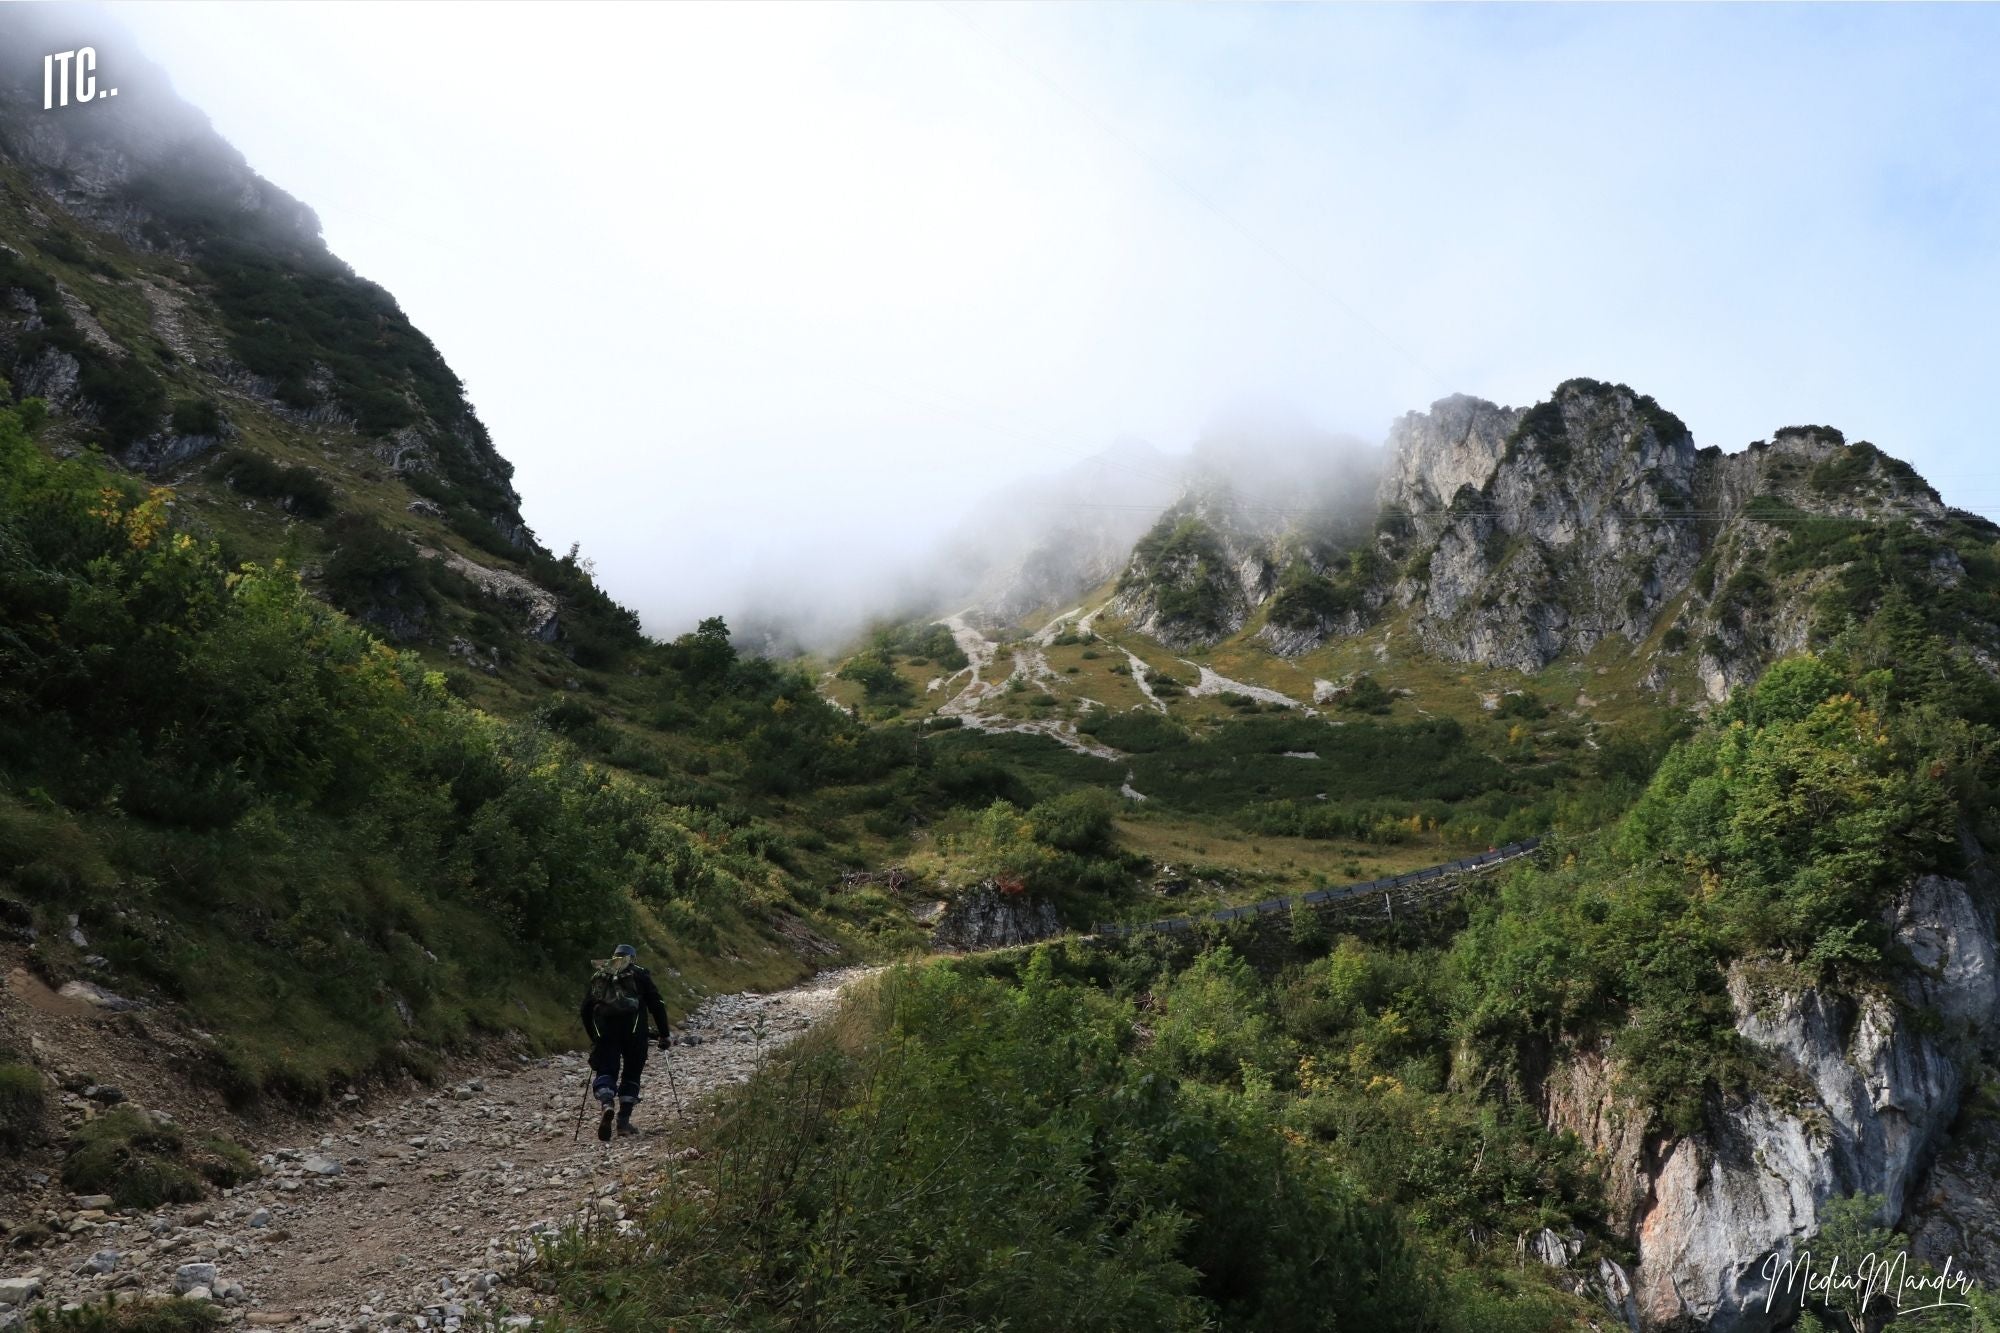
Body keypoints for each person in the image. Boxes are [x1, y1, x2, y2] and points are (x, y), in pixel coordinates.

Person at [580, 943, 670, 1141]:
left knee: (606, 1070)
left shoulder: (602, 974)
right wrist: (664, 1034)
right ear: (632, 958)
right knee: (632, 1073)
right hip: (635, 1033)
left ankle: (607, 1104)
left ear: (614, 956)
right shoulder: (639, 974)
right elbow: (657, 1004)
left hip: (606, 1033)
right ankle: (623, 1122)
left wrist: (594, 1036)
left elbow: (586, 1009)